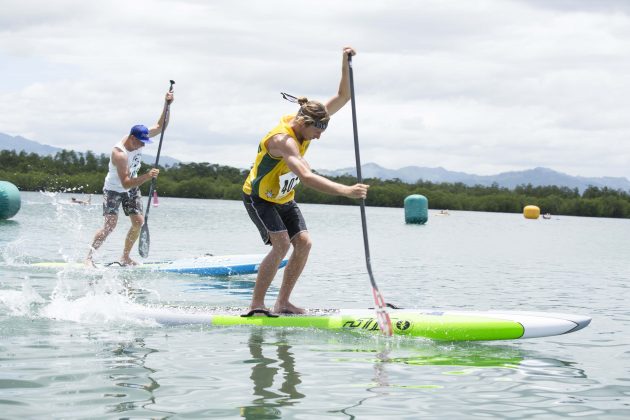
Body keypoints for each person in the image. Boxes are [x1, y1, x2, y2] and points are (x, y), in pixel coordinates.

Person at [242, 47, 368, 315]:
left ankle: (283, 302)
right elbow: (306, 177)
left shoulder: (312, 119)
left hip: (284, 197)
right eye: (316, 132)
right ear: (303, 123)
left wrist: (345, 62)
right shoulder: (283, 140)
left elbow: (344, 96)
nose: (319, 137)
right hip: (260, 198)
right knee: (282, 244)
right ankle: (256, 305)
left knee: (305, 243)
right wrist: (346, 191)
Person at [86, 91, 174, 266]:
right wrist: (147, 176)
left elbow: (160, 126)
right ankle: (88, 258)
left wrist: (167, 104)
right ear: (132, 138)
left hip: (132, 187)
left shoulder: (139, 135)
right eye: (141, 142)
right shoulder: (119, 154)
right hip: (114, 188)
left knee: (138, 222)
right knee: (110, 226)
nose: (143, 145)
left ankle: (125, 257)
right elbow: (125, 183)